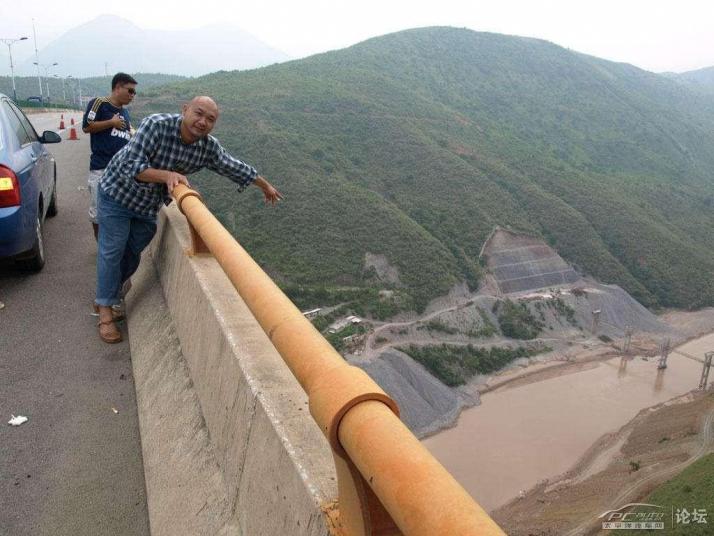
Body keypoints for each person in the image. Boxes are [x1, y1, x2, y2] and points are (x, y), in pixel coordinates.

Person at [95, 96, 283, 343]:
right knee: (113, 250)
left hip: (146, 206)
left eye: (210, 119)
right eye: (198, 113)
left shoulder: (207, 147)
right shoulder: (156, 125)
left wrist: (264, 185)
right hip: (117, 193)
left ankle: (110, 290)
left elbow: (233, 166)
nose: (202, 122)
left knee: (131, 253)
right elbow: (134, 167)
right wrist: (168, 175)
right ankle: (105, 313)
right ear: (184, 110)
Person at [82, 72, 137, 240]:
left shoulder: (125, 113)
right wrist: (110, 123)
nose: (132, 96)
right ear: (118, 87)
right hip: (101, 168)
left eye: (134, 93)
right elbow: (86, 126)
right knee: (98, 212)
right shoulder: (99, 104)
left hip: (121, 172)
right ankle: (101, 247)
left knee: (119, 211)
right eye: (130, 91)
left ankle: (114, 244)